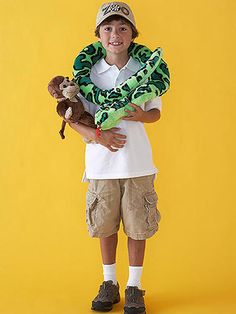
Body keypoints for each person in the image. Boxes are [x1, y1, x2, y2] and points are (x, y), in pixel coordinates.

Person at [68, 2, 165, 313]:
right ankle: (109, 282)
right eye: (108, 28)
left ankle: (134, 286)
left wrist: (139, 115)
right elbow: (73, 119)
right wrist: (100, 136)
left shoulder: (146, 71)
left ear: (133, 34)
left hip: (137, 162)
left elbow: (155, 114)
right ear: (98, 34)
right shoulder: (86, 74)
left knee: (138, 225)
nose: (115, 33)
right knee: (106, 225)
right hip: (101, 164)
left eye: (123, 27)